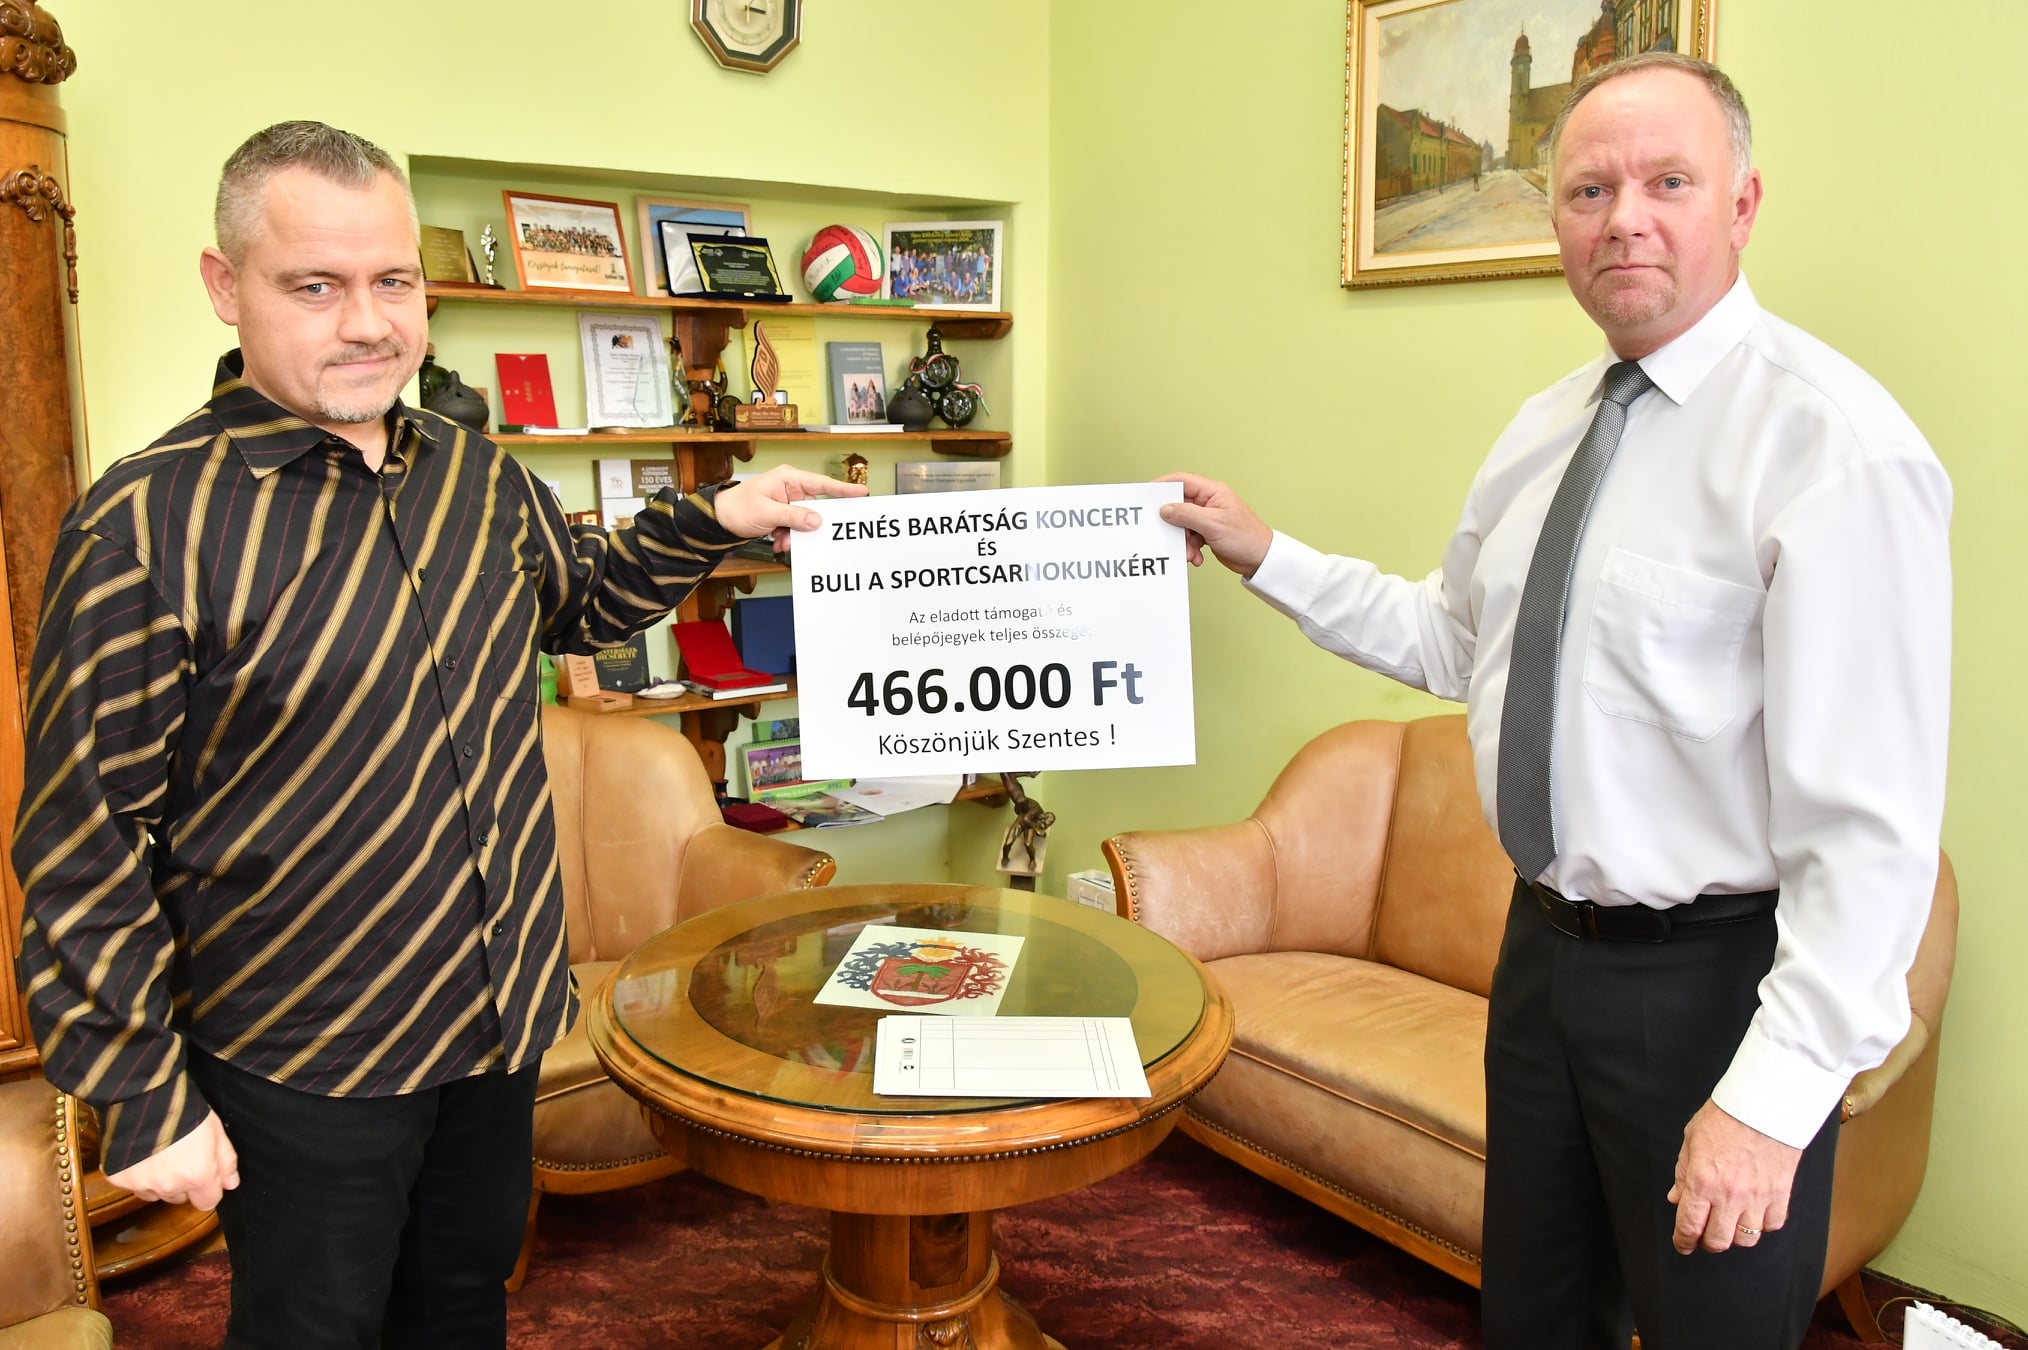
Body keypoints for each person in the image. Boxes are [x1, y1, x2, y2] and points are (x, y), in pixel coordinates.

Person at [12, 120, 863, 1350]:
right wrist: (141, 1093)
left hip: (495, 1019)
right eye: (316, 286)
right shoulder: (144, 526)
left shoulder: (477, 473)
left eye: (394, 281)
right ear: (225, 287)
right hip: (305, 1052)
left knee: (462, 1312)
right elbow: (82, 839)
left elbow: (582, 600)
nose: (368, 323)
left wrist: (720, 515)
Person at [1163, 53, 1948, 1350]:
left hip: (1714, 988)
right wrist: (1264, 552)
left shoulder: (1834, 449)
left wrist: (1769, 1103)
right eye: (1589, 190)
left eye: (1667, 181)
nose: (1623, 218)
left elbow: (1869, 832)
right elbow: (1452, 638)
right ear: (1558, 222)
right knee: (1533, 1319)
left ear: (1743, 203)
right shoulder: (1545, 430)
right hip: (1537, 961)